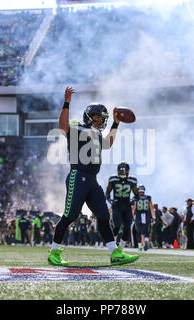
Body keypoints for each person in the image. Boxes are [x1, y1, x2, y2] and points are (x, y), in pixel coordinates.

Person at [48, 86, 139, 266]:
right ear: (89, 117)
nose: (100, 122)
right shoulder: (77, 128)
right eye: (98, 118)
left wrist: (115, 123)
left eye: (102, 119)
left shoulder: (96, 133)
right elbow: (62, 127)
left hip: (92, 180)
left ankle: (115, 253)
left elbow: (108, 144)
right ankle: (54, 252)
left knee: (104, 216)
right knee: (69, 215)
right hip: (78, 176)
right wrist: (66, 102)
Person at [105, 161, 139, 248]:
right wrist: (109, 200)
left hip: (127, 205)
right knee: (117, 225)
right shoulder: (113, 179)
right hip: (117, 205)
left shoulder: (132, 180)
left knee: (127, 227)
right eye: (121, 170)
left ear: (127, 171)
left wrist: (133, 200)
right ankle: (113, 244)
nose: (122, 172)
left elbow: (137, 195)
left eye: (124, 170)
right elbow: (107, 192)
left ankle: (121, 248)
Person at [132, 184, 155, 251]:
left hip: (138, 215)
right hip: (146, 215)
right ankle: (146, 240)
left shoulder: (136, 197)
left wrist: (132, 216)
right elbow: (151, 208)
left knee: (138, 231)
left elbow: (133, 208)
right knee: (146, 230)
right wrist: (153, 217)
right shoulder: (148, 197)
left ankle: (140, 246)